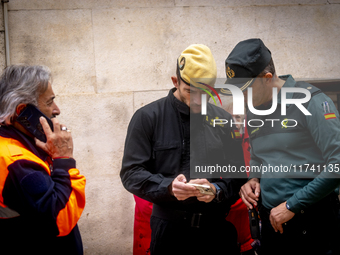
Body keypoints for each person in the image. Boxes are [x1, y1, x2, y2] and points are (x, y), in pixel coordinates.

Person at [121, 44, 245, 255]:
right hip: (169, 234)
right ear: (175, 82)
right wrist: (169, 187)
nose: (198, 100)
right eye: (190, 91)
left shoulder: (224, 120)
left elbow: (237, 177)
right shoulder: (147, 117)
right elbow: (131, 174)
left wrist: (217, 191)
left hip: (216, 233)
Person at [225, 38, 340, 255]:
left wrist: (291, 205)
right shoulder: (254, 109)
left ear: (267, 78)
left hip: (313, 224)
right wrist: (254, 179)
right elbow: (259, 155)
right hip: (273, 226)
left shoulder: (311, 101)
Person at [0, 65, 86, 255]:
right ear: (23, 111)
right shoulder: (17, 162)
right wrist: (64, 160)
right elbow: (59, 219)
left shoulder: (16, 144)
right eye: (50, 102)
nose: (57, 110)